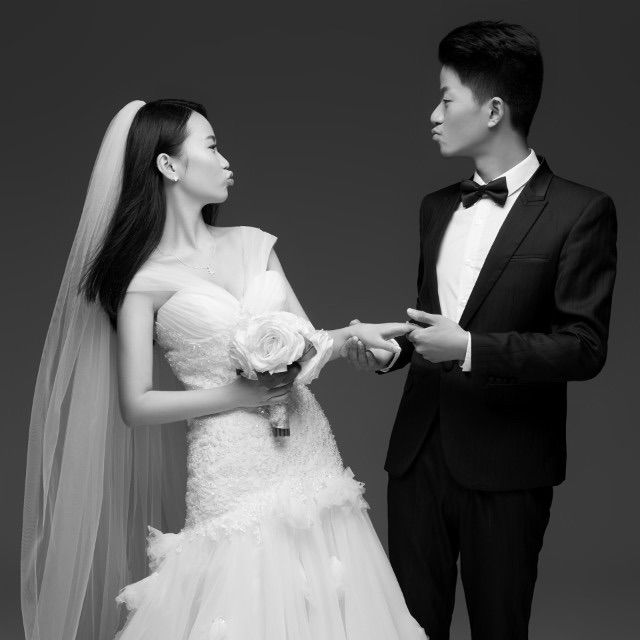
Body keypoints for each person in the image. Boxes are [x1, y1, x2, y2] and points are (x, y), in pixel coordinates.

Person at [21, 98, 429, 640]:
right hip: (232, 467)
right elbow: (136, 404)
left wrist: (353, 336)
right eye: (211, 147)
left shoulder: (253, 242)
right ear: (168, 165)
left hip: (307, 452)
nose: (226, 160)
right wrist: (238, 396)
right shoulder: (145, 281)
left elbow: (308, 344)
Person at [345, 20, 617, 640]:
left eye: (446, 99)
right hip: (417, 456)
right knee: (410, 630)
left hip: (508, 463)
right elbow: (433, 321)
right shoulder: (436, 206)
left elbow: (583, 347)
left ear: (494, 109)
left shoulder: (581, 211)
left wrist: (469, 348)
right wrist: (391, 352)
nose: (433, 115)